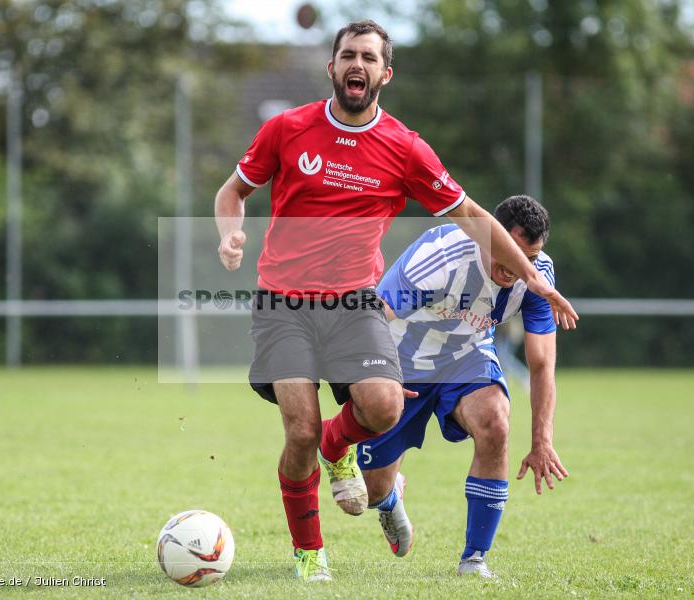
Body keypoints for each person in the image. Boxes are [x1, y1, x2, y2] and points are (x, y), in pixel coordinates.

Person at [213, 19, 578, 582]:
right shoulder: (286, 129)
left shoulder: (406, 148)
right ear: (331, 67)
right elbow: (233, 191)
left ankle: (341, 450)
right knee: (301, 430)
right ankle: (310, 555)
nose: (357, 64)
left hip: (353, 302)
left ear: (386, 73)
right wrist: (228, 233)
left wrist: (533, 276)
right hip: (284, 301)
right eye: (347, 55)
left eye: (368, 57)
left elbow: (477, 217)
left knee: (382, 406)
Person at [357, 195, 569, 579]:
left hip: (467, 356)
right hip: (402, 361)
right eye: (511, 252)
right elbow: (374, 318)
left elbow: (541, 363)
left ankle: (474, 559)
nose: (519, 267)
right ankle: (390, 496)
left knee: (496, 422)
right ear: (488, 237)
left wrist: (542, 440)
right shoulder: (440, 256)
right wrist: (377, 378)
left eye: (531, 256)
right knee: (368, 493)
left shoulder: (538, 278)